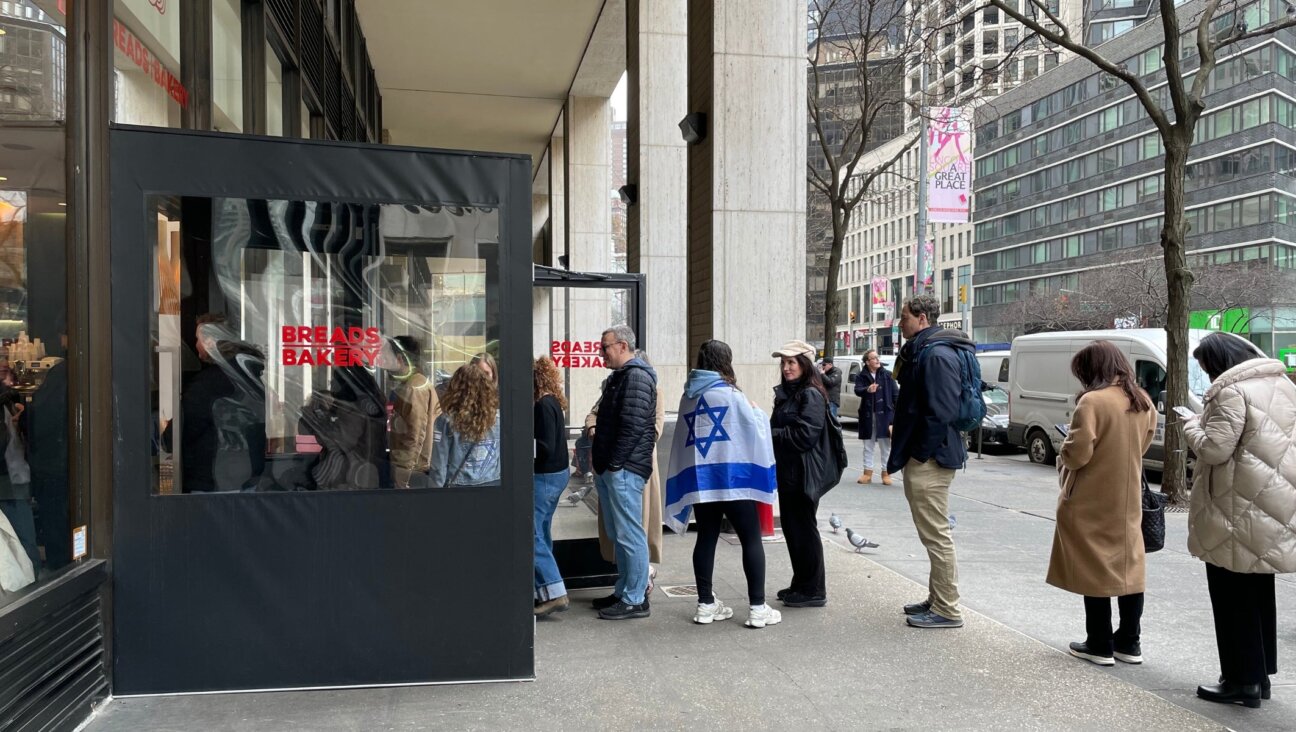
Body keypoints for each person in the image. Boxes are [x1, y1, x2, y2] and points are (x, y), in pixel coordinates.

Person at [1183, 333, 1296, 708]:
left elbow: (1215, 449)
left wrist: (1191, 424)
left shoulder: (1232, 393)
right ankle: (1259, 675)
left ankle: (1241, 681)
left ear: (1220, 362)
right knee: (1258, 592)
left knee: (1231, 594)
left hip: (1235, 507)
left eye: (1206, 367)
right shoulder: (1281, 385)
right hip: (1271, 502)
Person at [1046, 340, 1157, 666]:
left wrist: (1063, 448)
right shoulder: (1142, 400)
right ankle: (1129, 642)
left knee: (1092, 568)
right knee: (1130, 569)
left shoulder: (1092, 402)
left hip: (1090, 498)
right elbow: (1144, 444)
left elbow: (1077, 454)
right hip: (1127, 498)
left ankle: (1099, 643)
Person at [665, 340, 781, 629]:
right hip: (734, 480)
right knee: (750, 538)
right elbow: (753, 430)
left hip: (702, 482)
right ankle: (757, 608)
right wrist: (756, 411)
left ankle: (705, 604)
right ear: (725, 362)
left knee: (705, 537)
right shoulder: (730, 395)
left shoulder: (688, 396)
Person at [887, 295, 974, 629]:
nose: (900, 322)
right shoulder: (928, 349)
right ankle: (937, 598)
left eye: (904, 317)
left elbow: (940, 412)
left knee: (937, 536)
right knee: (933, 534)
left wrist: (919, 453)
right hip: (932, 454)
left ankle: (948, 609)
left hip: (932, 458)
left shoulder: (935, 354)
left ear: (922, 319)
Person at [589, 324, 658, 620]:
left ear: (622, 346)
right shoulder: (622, 377)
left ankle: (635, 597)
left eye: (604, 347)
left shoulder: (637, 377)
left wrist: (614, 465)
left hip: (624, 470)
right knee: (621, 534)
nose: (601, 352)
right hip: (614, 468)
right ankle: (625, 589)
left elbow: (632, 427)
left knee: (630, 534)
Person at [162, 314, 268, 492]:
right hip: (249, 476)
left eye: (198, 339)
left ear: (210, 342)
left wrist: (164, 429)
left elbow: (177, 434)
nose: (195, 345)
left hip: (212, 482)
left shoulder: (209, 384)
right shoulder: (249, 376)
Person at [770, 339, 829, 608]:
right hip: (790, 472)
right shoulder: (790, 393)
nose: (786, 367)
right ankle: (802, 583)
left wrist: (771, 434)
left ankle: (813, 589)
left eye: (791, 362)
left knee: (804, 530)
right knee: (794, 530)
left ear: (805, 364)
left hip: (803, 476)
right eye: (783, 363)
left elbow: (805, 435)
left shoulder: (811, 394)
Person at [532, 356, 571, 617]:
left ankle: (555, 592)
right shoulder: (552, 401)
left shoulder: (543, 404)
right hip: (556, 474)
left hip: (545, 475)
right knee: (541, 531)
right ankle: (544, 590)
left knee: (531, 534)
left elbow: (543, 448)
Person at [429, 364, 501, 487]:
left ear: (456, 389)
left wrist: (435, 495)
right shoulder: (497, 419)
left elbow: (438, 466)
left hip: (459, 489)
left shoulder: (446, 420)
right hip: (492, 486)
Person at [381, 336, 438, 489]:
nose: (383, 362)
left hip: (412, 472)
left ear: (399, 358)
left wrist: (402, 476)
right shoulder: (414, 384)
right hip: (413, 468)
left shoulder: (413, 388)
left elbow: (414, 434)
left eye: (386, 356)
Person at [855, 349, 898, 485]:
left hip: (885, 415)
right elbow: (857, 390)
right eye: (874, 358)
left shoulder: (888, 375)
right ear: (867, 362)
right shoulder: (861, 376)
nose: (877, 360)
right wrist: (867, 389)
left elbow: (895, 395)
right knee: (868, 445)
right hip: (868, 415)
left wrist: (895, 414)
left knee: (885, 445)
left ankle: (886, 473)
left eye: (877, 357)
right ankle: (867, 473)